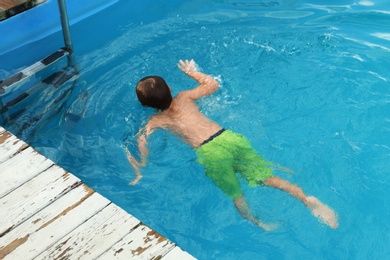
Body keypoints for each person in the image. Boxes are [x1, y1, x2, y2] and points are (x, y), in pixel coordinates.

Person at [125, 59, 338, 230]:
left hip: (210, 153)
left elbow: (142, 141)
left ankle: (258, 222)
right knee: (268, 177)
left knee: (237, 195)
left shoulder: (156, 121)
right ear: (170, 88)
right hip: (228, 137)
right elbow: (212, 85)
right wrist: (192, 72)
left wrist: (139, 167)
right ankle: (307, 200)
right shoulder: (184, 97)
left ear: (144, 105)